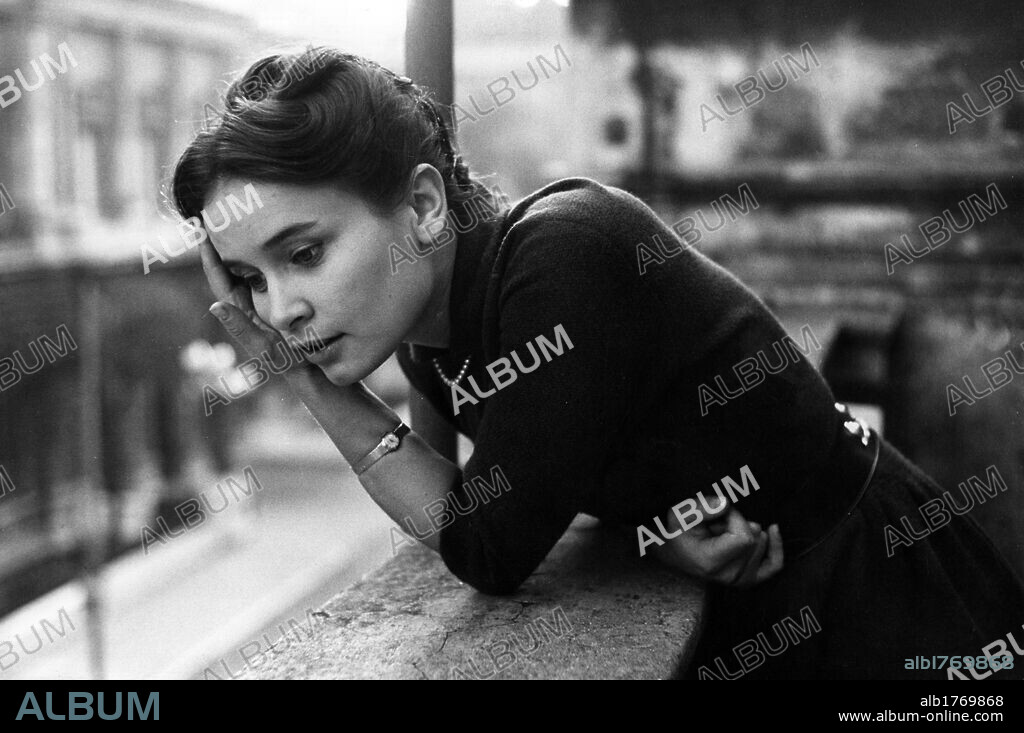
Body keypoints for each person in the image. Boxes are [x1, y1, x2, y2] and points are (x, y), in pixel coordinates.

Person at [170, 46, 1024, 680]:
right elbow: (557, 475)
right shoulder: (442, 337)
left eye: (306, 253)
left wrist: (308, 384)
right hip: (771, 606)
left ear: (424, 205)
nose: (278, 310)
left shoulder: (562, 253)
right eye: (249, 278)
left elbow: (490, 547)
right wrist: (652, 531)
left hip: (883, 601)